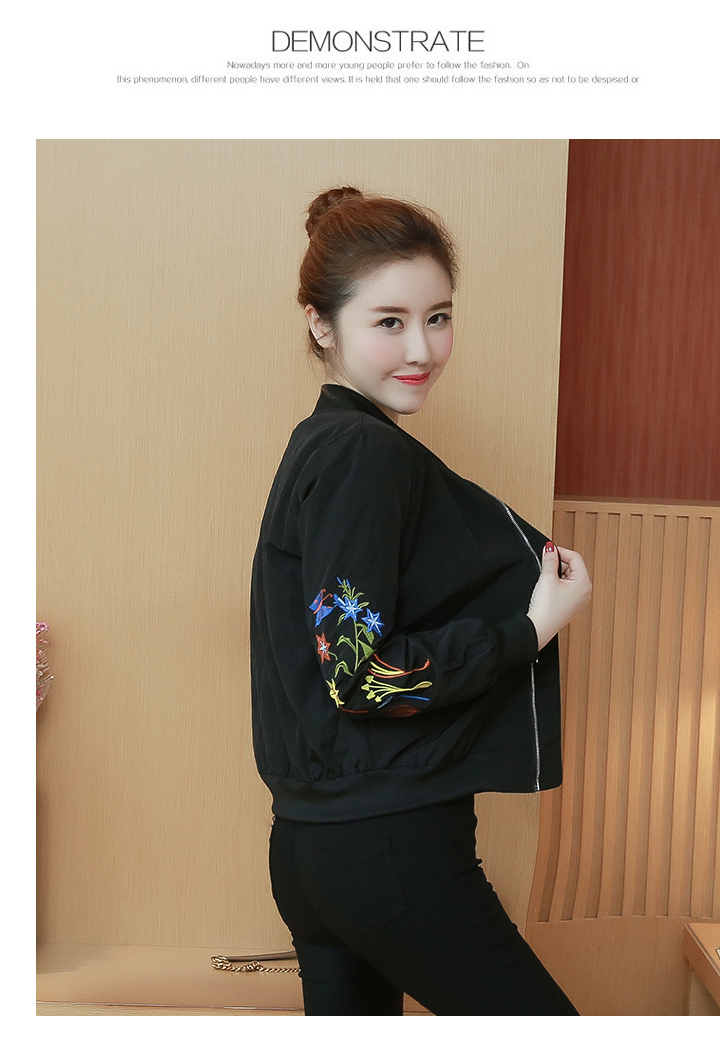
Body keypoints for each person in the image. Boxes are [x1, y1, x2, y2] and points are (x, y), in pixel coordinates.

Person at [250, 186, 592, 1016]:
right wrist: (529, 629)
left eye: (438, 317)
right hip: (386, 844)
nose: (422, 348)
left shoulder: (323, 445)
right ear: (321, 324)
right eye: (389, 321)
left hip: (315, 845)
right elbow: (362, 677)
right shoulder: (364, 456)